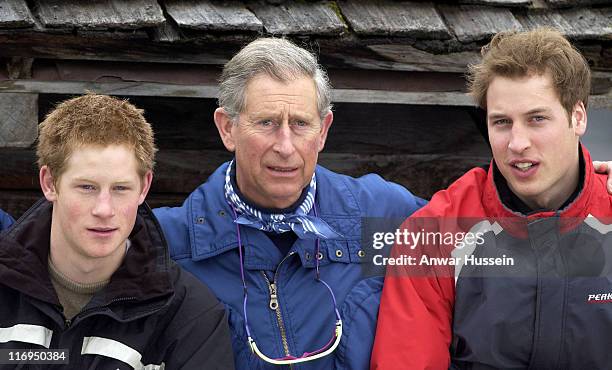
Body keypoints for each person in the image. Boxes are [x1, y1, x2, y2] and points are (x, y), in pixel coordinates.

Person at [153, 38, 427, 369]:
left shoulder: (382, 213)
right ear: (228, 128)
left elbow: (494, 255)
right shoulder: (168, 244)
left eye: (300, 124)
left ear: (323, 131)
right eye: (266, 122)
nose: (285, 145)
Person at [371, 28, 612, 369]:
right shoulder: (434, 233)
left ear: (578, 116)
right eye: (501, 122)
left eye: (537, 119)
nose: (517, 143)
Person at [0, 94, 234, 369]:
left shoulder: (190, 317)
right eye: (87, 187)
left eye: (120, 189)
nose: (104, 209)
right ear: (50, 183)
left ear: (144, 188)